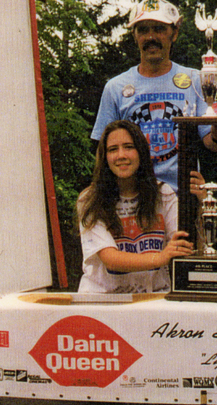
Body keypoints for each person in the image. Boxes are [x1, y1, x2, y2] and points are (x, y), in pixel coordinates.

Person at [91, 0, 217, 194]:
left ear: (175, 33)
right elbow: (103, 153)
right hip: (133, 198)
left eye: (159, 29)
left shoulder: (196, 79)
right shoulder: (115, 87)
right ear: (135, 36)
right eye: (143, 30)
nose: (151, 37)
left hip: (183, 197)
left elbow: (213, 144)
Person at [77, 120, 201, 294]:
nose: (121, 155)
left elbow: (185, 245)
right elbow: (111, 259)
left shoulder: (163, 194)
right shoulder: (89, 199)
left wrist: (203, 204)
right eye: (113, 149)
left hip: (153, 299)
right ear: (104, 157)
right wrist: (160, 257)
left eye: (129, 147)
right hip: (104, 302)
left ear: (141, 152)